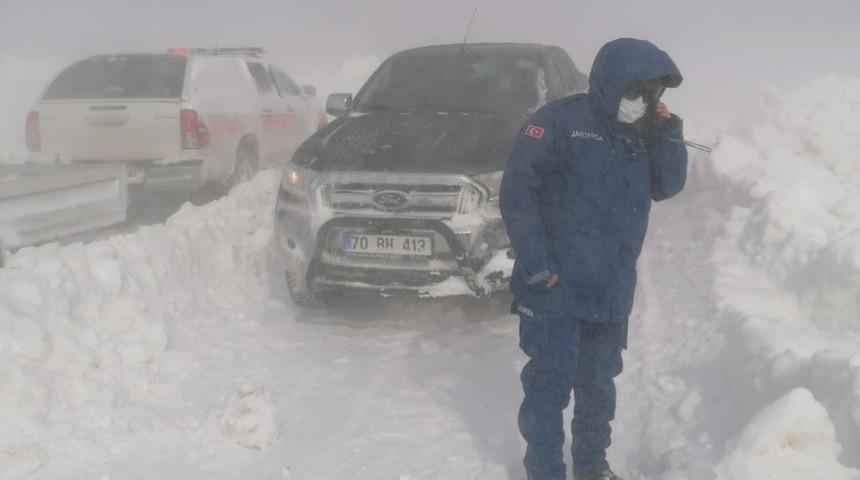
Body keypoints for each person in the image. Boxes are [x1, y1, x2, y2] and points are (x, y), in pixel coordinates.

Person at [499, 38, 688, 480]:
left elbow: (668, 186)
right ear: (609, 83)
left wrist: (669, 134)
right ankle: (545, 472)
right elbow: (517, 193)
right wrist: (538, 264)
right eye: (635, 91)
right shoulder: (557, 124)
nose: (641, 102)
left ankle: (590, 467)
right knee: (549, 388)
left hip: (610, 287)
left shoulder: (645, 134)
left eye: (652, 94)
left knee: (598, 387)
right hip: (554, 287)